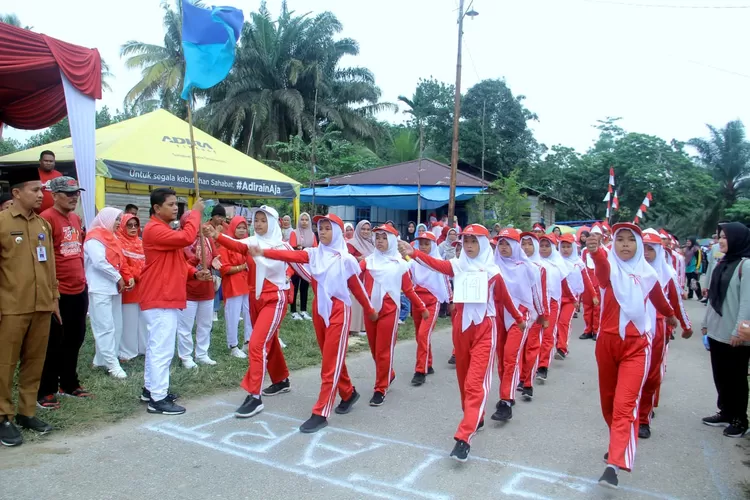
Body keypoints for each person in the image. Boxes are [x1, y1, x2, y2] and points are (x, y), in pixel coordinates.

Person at [400, 224, 523, 462]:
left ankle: (464, 437)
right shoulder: (457, 266)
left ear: (484, 244)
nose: (468, 245)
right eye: (466, 241)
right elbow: (437, 265)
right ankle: (475, 416)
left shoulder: (492, 272)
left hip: (485, 330)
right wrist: (413, 252)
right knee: (463, 382)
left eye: (474, 241)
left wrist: (518, 319)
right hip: (461, 329)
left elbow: (504, 298)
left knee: (475, 384)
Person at [247, 213, 376, 433]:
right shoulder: (314, 254)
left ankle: (321, 412)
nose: (322, 231)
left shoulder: (346, 259)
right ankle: (348, 392)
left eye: (327, 228)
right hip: (319, 310)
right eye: (320, 228)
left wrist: (370, 310)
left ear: (336, 231)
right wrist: (264, 252)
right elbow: (290, 256)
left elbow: (356, 288)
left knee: (329, 365)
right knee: (330, 357)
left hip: (338, 311)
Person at [587, 223, 677, 489]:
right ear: (612, 244)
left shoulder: (648, 274)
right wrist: (596, 253)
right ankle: (618, 439)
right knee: (608, 402)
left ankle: (614, 463)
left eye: (630, 240)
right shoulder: (608, 269)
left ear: (639, 245)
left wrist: (672, 317)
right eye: (620, 240)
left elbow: (661, 301)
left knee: (625, 404)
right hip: (607, 343)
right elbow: (601, 269)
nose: (625, 244)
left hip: (637, 346)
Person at [208, 206, 293, 418]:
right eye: (256, 220)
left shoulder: (282, 245)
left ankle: (254, 396)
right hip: (256, 299)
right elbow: (235, 244)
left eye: (263, 220)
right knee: (269, 340)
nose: (258, 224)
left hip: (275, 298)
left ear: (272, 223)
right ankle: (281, 379)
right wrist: (215, 234)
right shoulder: (252, 241)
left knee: (256, 344)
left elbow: (296, 264)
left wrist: (289, 275)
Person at [0, 167, 60, 447]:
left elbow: (50, 267)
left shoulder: (42, 225)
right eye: (35, 190)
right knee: (4, 364)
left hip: (41, 306)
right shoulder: (1, 223)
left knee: (35, 362)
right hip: (11, 307)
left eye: (41, 190)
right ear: (16, 193)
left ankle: (26, 412)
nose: (41, 194)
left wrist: (54, 298)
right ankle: (3, 416)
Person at [139, 188, 208, 415]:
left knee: (156, 346)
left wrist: (193, 273)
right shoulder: (154, 229)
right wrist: (196, 213)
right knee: (162, 348)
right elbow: (186, 237)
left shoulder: (162, 229)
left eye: (176, 204)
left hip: (164, 295)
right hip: (160, 296)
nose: (175, 207)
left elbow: (178, 261)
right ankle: (157, 399)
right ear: (157, 208)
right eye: (170, 204)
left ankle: (151, 390)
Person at [37, 177, 91, 409]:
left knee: (75, 339)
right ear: (55, 194)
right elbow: (43, 259)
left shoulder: (76, 218)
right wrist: (51, 292)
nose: (73, 197)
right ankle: (45, 390)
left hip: (79, 287)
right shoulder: (46, 219)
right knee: (53, 343)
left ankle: (68, 384)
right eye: (68, 193)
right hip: (59, 292)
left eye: (76, 193)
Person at [359, 225, 426, 405]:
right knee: (374, 349)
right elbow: (353, 276)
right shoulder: (368, 261)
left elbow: (409, 290)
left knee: (383, 350)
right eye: (377, 237)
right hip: (370, 311)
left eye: (384, 237)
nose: (380, 241)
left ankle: (380, 388)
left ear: (392, 241)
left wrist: (421, 307)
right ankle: (389, 373)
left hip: (389, 310)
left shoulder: (400, 264)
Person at [639, 230, 692, 439]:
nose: (646, 253)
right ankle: (628, 416)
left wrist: (686, 326)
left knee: (651, 376)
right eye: (642, 248)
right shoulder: (626, 270)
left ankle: (643, 419)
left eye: (651, 249)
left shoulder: (666, 273)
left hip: (658, 330)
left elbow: (676, 304)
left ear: (660, 251)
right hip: (632, 331)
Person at [702, 222, 750, 438]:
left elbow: (747, 302)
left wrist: (739, 331)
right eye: (720, 236)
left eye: (725, 237)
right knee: (720, 375)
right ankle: (726, 412)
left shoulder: (746, 265)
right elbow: (713, 297)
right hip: (717, 331)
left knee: (736, 377)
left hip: (734, 333)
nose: (720, 240)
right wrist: (706, 323)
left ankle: (740, 419)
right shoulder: (723, 262)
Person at [491, 228, 544, 421]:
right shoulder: (492, 266)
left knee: (510, 357)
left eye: (508, 243)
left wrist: (542, 314)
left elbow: (536, 293)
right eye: (501, 244)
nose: (503, 248)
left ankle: (505, 400)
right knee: (500, 356)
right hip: (497, 314)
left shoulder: (527, 267)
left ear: (515, 246)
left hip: (520, 317)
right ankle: (507, 390)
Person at [84, 207, 129, 379]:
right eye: (116, 219)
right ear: (107, 219)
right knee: (104, 327)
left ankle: (101, 359)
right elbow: (99, 262)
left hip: (113, 288)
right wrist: (118, 277)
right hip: (99, 287)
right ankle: (112, 364)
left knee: (115, 326)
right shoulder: (94, 237)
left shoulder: (112, 237)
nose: (118, 223)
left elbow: (120, 260)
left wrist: (125, 276)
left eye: (119, 220)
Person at [177, 210, 219, 369]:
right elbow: (181, 266)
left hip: (207, 288)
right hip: (188, 290)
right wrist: (196, 258)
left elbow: (216, 255)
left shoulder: (206, 239)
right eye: (192, 223)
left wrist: (215, 261)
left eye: (198, 222)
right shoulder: (181, 242)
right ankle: (185, 356)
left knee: (205, 324)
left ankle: (202, 353)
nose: (197, 226)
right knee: (185, 326)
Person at [409, 232, 451, 386]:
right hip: (417, 301)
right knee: (419, 335)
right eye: (421, 244)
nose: (424, 247)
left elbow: (447, 282)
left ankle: (420, 370)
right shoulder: (413, 262)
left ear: (433, 245)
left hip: (432, 302)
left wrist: (450, 300)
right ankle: (429, 362)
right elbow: (406, 273)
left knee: (423, 334)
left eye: (427, 244)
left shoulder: (439, 262)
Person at [518, 232, 550, 401]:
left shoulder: (540, 268)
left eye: (530, 244)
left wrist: (544, 315)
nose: (526, 248)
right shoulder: (515, 265)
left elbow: (543, 292)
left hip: (535, 313)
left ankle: (528, 383)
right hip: (519, 314)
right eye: (523, 244)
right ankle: (521, 378)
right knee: (520, 348)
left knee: (532, 348)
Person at [533, 234, 569, 382]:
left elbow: (565, 284)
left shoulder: (558, 264)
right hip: (535, 303)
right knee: (534, 335)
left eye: (547, 246)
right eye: (541, 246)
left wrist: (573, 299)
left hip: (552, 302)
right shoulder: (533, 262)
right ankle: (530, 366)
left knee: (548, 334)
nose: (544, 249)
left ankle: (543, 367)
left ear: (553, 248)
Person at [557, 233, 595, 358]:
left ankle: (562, 348)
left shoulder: (579, 263)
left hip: (571, 299)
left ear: (573, 247)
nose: (565, 250)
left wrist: (594, 295)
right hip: (555, 298)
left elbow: (586, 279)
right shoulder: (555, 261)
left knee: (564, 322)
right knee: (555, 324)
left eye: (568, 247)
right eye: (563, 247)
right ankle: (556, 343)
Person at [219, 216, 253, 358]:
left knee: (249, 314)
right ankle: (233, 345)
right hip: (233, 285)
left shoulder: (247, 244)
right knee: (232, 316)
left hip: (247, 284)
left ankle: (248, 341)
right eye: (238, 227)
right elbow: (224, 269)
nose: (241, 230)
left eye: (244, 228)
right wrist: (242, 267)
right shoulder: (225, 245)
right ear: (232, 228)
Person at [117, 212, 148, 361]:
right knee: (129, 320)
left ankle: (143, 347)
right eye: (129, 225)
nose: (133, 228)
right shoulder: (119, 242)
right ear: (123, 226)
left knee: (143, 319)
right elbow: (123, 265)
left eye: (136, 225)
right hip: (129, 285)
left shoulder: (141, 242)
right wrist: (135, 276)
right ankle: (127, 351)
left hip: (142, 286)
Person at [347, 220, 375, 335]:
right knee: (357, 300)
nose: (365, 231)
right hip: (357, 277)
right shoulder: (351, 243)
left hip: (370, 277)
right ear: (358, 229)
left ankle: (365, 327)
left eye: (368, 229)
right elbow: (347, 258)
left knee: (368, 300)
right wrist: (358, 259)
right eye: (363, 229)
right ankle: (354, 327)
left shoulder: (373, 242)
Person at [289, 212, 316, 320]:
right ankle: (293, 310)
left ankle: (304, 310)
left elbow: (315, 248)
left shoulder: (312, 234)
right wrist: (299, 248)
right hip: (296, 264)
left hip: (307, 264)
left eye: (306, 220)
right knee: (295, 286)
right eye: (302, 219)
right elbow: (291, 248)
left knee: (304, 287)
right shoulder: (294, 233)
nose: (304, 222)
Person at [580, 224, 603, 340]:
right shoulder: (584, 251)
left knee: (597, 307)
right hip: (587, 279)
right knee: (587, 306)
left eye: (597, 234)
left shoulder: (605, 250)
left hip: (599, 280)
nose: (594, 237)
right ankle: (588, 329)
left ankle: (596, 330)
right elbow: (582, 266)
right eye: (592, 234)